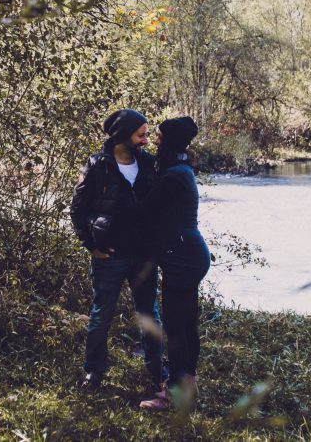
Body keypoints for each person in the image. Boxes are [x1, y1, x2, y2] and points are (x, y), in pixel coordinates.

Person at [69, 109, 165, 391]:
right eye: (141, 134)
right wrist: (90, 245)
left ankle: (158, 371)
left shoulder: (149, 164)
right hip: (109, 256)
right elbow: (77, 209)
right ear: (123, 136)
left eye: (146, 134)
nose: (146, 140)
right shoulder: (97, 165)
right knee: (101, 316)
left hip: (144, 256)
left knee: (149, 315)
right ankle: (94, 372)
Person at [135, 116, 211, 411]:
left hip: (183, 258)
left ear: (171, 141)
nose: (155, 140)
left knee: (178, 329)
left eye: (159, 137)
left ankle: (174, 395)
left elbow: (143, 211)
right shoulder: (180, 169)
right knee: (186, 325)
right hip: (189, 254)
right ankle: (188, 389)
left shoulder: (174, 176)